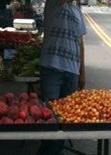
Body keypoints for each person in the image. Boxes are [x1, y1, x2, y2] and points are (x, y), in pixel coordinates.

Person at [37, 0, 86, 154]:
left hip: (72, 71)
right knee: (51, 118)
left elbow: (80, 43)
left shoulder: (78, 12)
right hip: (52, 68)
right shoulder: (53, 4)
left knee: (65, 119)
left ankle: (56, 151)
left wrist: (82, 71)